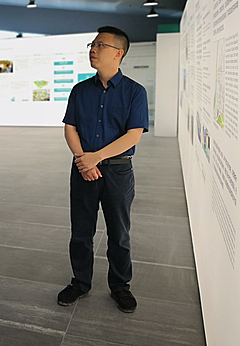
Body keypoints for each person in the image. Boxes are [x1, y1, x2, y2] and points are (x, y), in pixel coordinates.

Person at [58, 26, 148, 313]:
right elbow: (70, 127)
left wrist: (95, 157)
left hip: (117, 172)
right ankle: (80, 282)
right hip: (83, 169)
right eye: (92, 45)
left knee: (119, 234)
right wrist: (83, 160)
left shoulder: (135, 92)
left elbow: (133, 135)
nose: (93, 50)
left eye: (100, 45)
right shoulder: (80, 90)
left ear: (118, 53)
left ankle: (120, 286)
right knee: (80, 232)